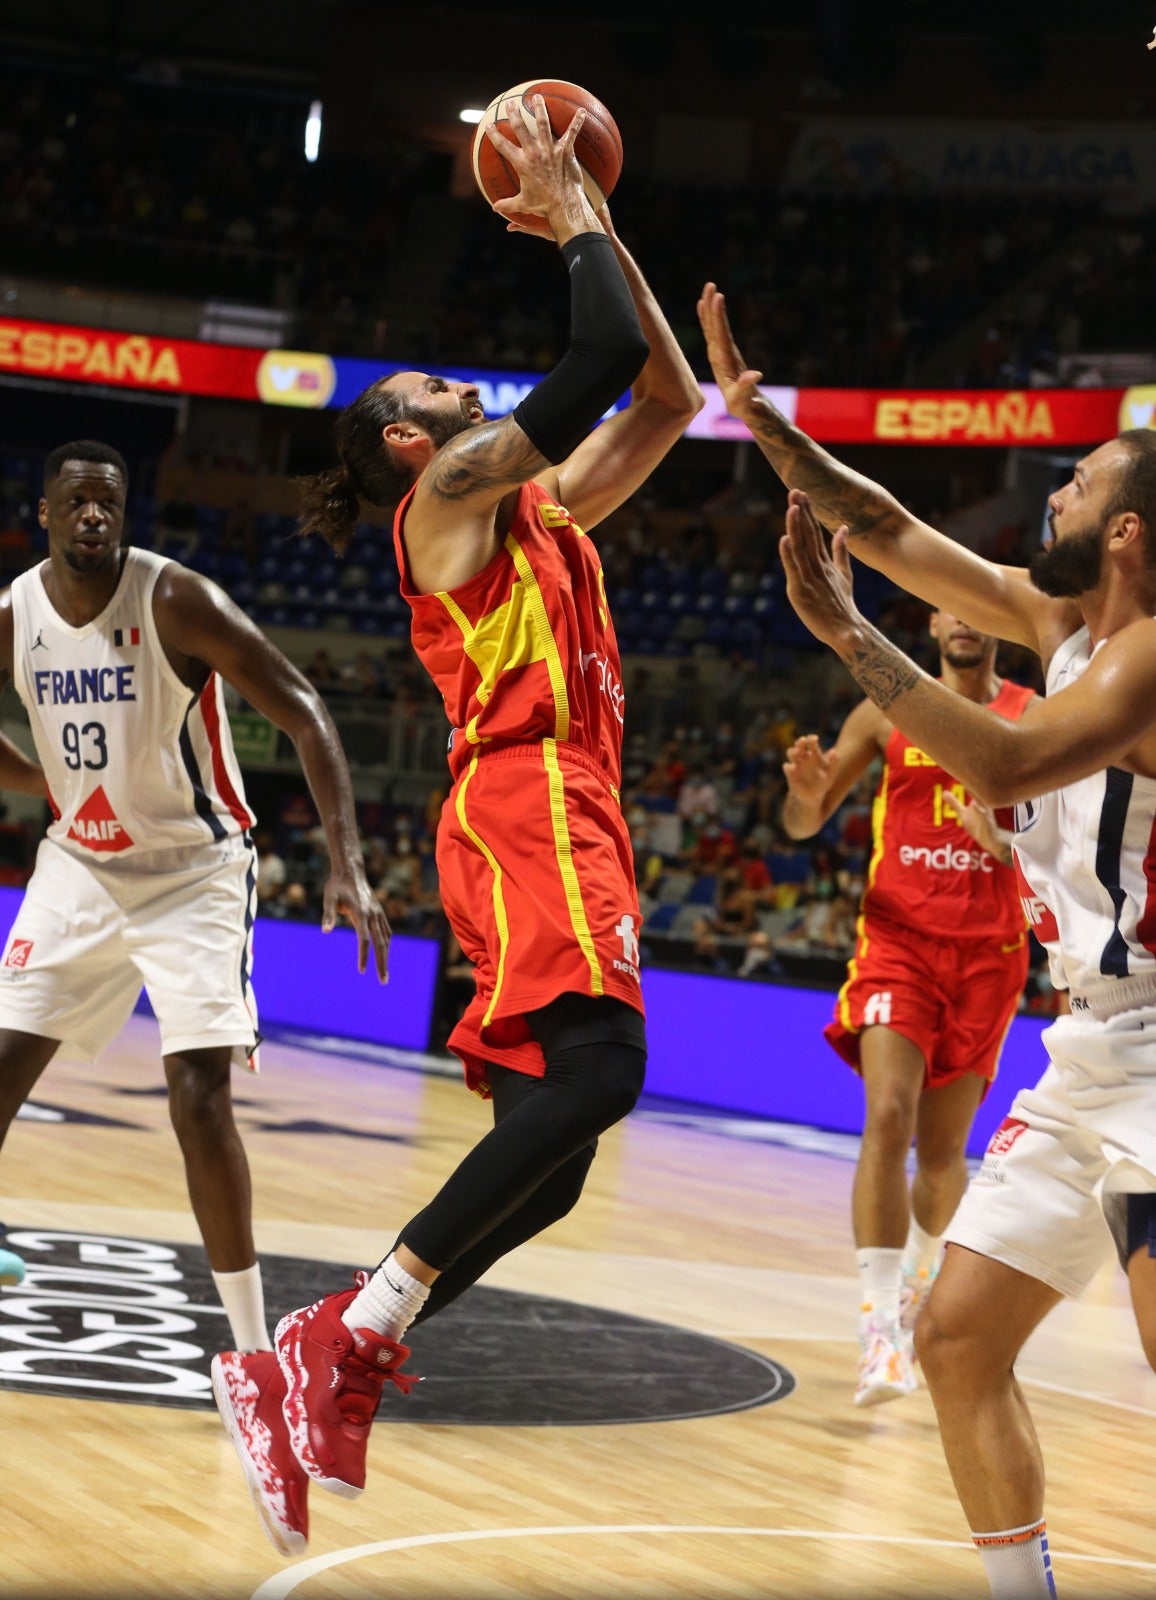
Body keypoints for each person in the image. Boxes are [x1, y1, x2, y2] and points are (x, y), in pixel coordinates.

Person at [211, 96, 702, 1556]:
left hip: (571, 804)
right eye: (438, 382)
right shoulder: (451, 499)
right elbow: (600, 353)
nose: (465, 393)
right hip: (527, 792)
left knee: (552, 1173)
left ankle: (330, 1343)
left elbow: (665, 398)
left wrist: (600, 219)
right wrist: (565, 215)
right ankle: (340, 1337)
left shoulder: (534, 507)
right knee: (601, 1078)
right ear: (407, 435)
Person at [698, 278, 1156, 1600]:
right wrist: (756, 418)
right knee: (958, 1338)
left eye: (1073, 485)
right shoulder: (1069, 626)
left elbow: (1006, 750)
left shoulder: (1147, 655)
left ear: (1127, 530)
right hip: (1094, 1039)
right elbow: (889, 526)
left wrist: (846, 633)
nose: (1048, 497)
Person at [0, 440, 388, 1353]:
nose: (95, 515)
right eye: (78, 503)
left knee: (197, 1093)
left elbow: (303, 708)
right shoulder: (14, 614)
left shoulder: (174, 597)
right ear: (45, 515)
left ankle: (252, 1352)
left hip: (193, 870)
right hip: (81, 865)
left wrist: (348, 863)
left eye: (111, 502)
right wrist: (44, 785)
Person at [781, 611, 1034, 1406]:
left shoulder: (1036, 717)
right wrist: (807, 798)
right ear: (932, 621)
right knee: (887, 1115)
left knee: (943, 1153)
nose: (964, 621)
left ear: (999, 622)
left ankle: (922, 1289)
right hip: (900, 943)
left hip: (990, 958)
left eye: (978, 609)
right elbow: (803, 822)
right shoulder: (888, 704)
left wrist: (1007, 844)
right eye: (948, 608)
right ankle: (879, 1332)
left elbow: (1062, 843)